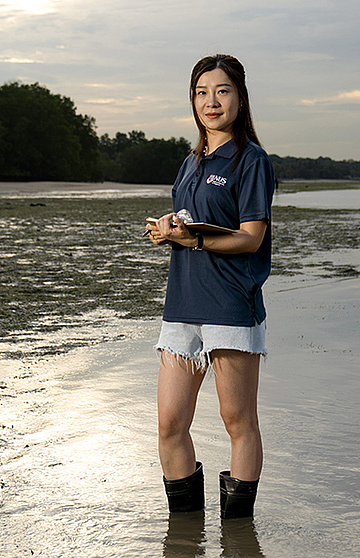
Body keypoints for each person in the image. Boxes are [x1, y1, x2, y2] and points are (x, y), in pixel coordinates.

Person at [145, 54, 275, 520]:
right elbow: (192, 220)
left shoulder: (251, 160)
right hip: (182, 306)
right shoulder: (191, 162)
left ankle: (239, 538)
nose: (211, 101)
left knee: (237, 421)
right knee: (169, 424)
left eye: (222, 91)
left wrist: (195, 239)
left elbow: (252, 236)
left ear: (240, 98)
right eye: (202, 92)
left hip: (230, 305)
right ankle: (186, 537)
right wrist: (169, 229)